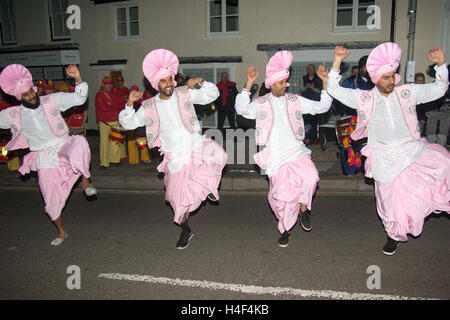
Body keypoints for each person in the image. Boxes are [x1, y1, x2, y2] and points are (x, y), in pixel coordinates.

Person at [327, 43, 449, 256]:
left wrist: (440, 64)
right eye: (386, 77)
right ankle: (393, 235)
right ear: (375, 78)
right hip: (383, 156)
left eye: (393, 76)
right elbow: (333, 90)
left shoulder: (407, 92)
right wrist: (337, 60)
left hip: (411, 150)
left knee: (443, 161)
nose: (391, 80)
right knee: (388, 203)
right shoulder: (365, 98)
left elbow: (439, 89)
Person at [120, 49, 227, 249]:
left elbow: (212, 95)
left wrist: (200, 82)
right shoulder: (148, 106)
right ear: (155, 84)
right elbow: (128, 124)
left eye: (170, 79)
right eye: (163, 81)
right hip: (175, 158)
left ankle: (209, 187)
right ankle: (186, 230)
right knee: (177, 202)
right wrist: (129, 104)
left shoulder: (184, 93)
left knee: (218, 155)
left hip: (195, 145)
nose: (168, 83)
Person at [235, 50, 332, 247]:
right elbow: (242, 109)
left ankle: (304, 208)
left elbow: (321, 107)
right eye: (281, 82)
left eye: (286, 82)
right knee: (283, 197)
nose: (285, 85)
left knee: (311, 177)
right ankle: (285, 228)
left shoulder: (295, 100)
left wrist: (325, 83)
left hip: (297, 152)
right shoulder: (261, 103)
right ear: (271, 84)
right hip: (276, 156)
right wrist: (248, 84)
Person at [0, 64, 97, 246]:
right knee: (50, 201)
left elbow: (79, 98)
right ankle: (61, 232)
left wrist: (77, 78)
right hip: (43, 157)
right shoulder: (13, 114)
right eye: (26, 95)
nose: (31, 96)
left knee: (80, 143)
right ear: (19, 98)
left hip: (63, 144)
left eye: (31, 92)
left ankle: (86, 181)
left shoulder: (51, 100)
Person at [338, 55, 374, 177]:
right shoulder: (350, 82)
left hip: (371, 120)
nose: (369, 69)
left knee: (370, 146)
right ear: (361, 67)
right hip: (352, 119)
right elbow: (341, 99)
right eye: (366, 67)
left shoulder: (376, 82)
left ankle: (368, 170)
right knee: (349, 146)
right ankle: (350, 171)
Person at [95, 76, 127, 169]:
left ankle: (114, 160)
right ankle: (104, 163)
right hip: (104, 122)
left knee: (116, 142)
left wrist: (113, 103)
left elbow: (122, 103)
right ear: (103, 85)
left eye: (109, 84)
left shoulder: (115, 92)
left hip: (115, 120)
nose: (108, 86)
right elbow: (105, 107)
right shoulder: (99, 95)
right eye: (106, 84)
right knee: (104, 143)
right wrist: (116, 103)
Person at [424, 65, 450, 146]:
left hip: (443, 130)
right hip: (431, 128)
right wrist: (443, 116)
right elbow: (428, 114)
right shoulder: (434, 86)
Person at [126, 84, 151, 164]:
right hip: (132, 124)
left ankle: (145, 158)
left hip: (141, 124)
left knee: (142, 140)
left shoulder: (143, 101)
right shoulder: (129, 101)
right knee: (131, 141)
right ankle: (133, 159)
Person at [301, 64, 323, 145]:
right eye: (309, 69)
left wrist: (313, 88)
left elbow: (321, 92)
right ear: (307, 70)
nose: (310, 70)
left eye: (312, 69)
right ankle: (307, 138)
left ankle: (314, 138)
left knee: (314, 121)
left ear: (314, 70)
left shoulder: (319, 79)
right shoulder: (303, 78)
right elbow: (300, 90)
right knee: (305, 121)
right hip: (305, 103)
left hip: (314, 103)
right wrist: (306, 87)